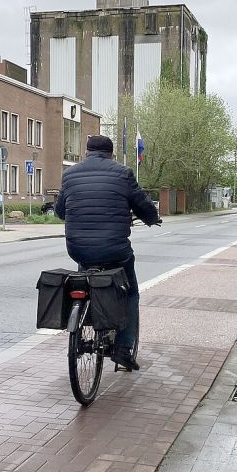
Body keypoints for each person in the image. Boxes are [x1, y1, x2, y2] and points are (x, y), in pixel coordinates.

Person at [55, 135, 161, 372]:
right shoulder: (123, 173)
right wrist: (153, 219)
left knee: (87, 278)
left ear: (87, 152)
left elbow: (60, 211)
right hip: (115, 251)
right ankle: (123, 349)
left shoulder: (70, 175)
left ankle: (85, 319)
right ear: (111, 153)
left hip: (78, 249)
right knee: (131, 293)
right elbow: (142, 204)